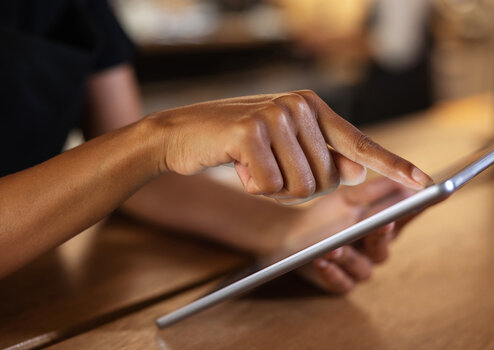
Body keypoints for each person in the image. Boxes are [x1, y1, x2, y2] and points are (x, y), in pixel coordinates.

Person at [0, 0, 431, 293]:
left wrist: (291, 232)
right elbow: (133, 150)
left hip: (50, 293)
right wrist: (158, 138)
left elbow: (133, 179)